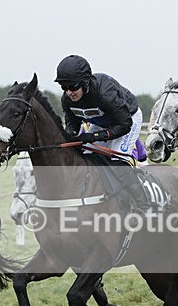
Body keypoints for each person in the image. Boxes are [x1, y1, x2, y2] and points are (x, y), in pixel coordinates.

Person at [55, 54, 150, 210]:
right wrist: (70, 135)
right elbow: (72, 122)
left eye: (73, 87)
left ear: (85, 83)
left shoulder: (104, 93)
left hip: (128, 119)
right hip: (102, 121)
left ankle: (145, 206)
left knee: (118, 162)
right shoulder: (67, 99)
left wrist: (94, 136)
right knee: (86, 158)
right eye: (64, 88)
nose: (69, 92)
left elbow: (124, 124)